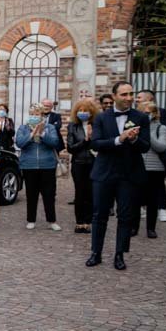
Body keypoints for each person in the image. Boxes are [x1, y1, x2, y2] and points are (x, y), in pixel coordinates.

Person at [86, 82, 150, 271]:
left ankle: (120, 254)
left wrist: (135, 139)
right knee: (99, 215)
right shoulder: (101, 117)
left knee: (125, 216)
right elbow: (95, 144)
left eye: (131, 94)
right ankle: (95, 253)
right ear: (114, 96)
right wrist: (118, 140)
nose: (129, 98)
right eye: (124, 94)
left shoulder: (140, 117)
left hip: (129, 174)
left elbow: (146, 146)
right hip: (104, 173)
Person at [16, 103, 61, 231]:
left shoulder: (50, 127)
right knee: (31, 194)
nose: (33, 116)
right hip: (29, 165)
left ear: (42, 115)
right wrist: (31, 135)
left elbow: (55, 142)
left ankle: (52, 221)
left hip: (47, 165)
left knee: (49, 195)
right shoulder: (23, 128)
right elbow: (19, 143)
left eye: (36, 114)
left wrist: (42, 134)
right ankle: (31, 220)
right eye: (31, 114)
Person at [130, 102, 166, 239]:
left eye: (149, 112)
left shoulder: (161, 128)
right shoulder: (134, 127)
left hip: (155, 169)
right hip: (138, 166)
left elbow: (161, 146)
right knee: (135, 199)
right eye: (144, 112)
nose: (147, 115)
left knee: (153, 200)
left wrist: (148, 134)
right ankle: (134, 227)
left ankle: (151, 229)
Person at [66, 98, 99, 233]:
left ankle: (88, 221)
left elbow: (100, 144)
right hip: (78, 163)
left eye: (86, 110)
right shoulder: (73, 126)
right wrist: (85, 141)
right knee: (79, 192)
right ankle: (79, 222)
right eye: (80, 110)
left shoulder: (97, 125)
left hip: (93, 163)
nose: (83, 112)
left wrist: (92, 139)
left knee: (90, 192)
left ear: (91, 112)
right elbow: (70, 147)